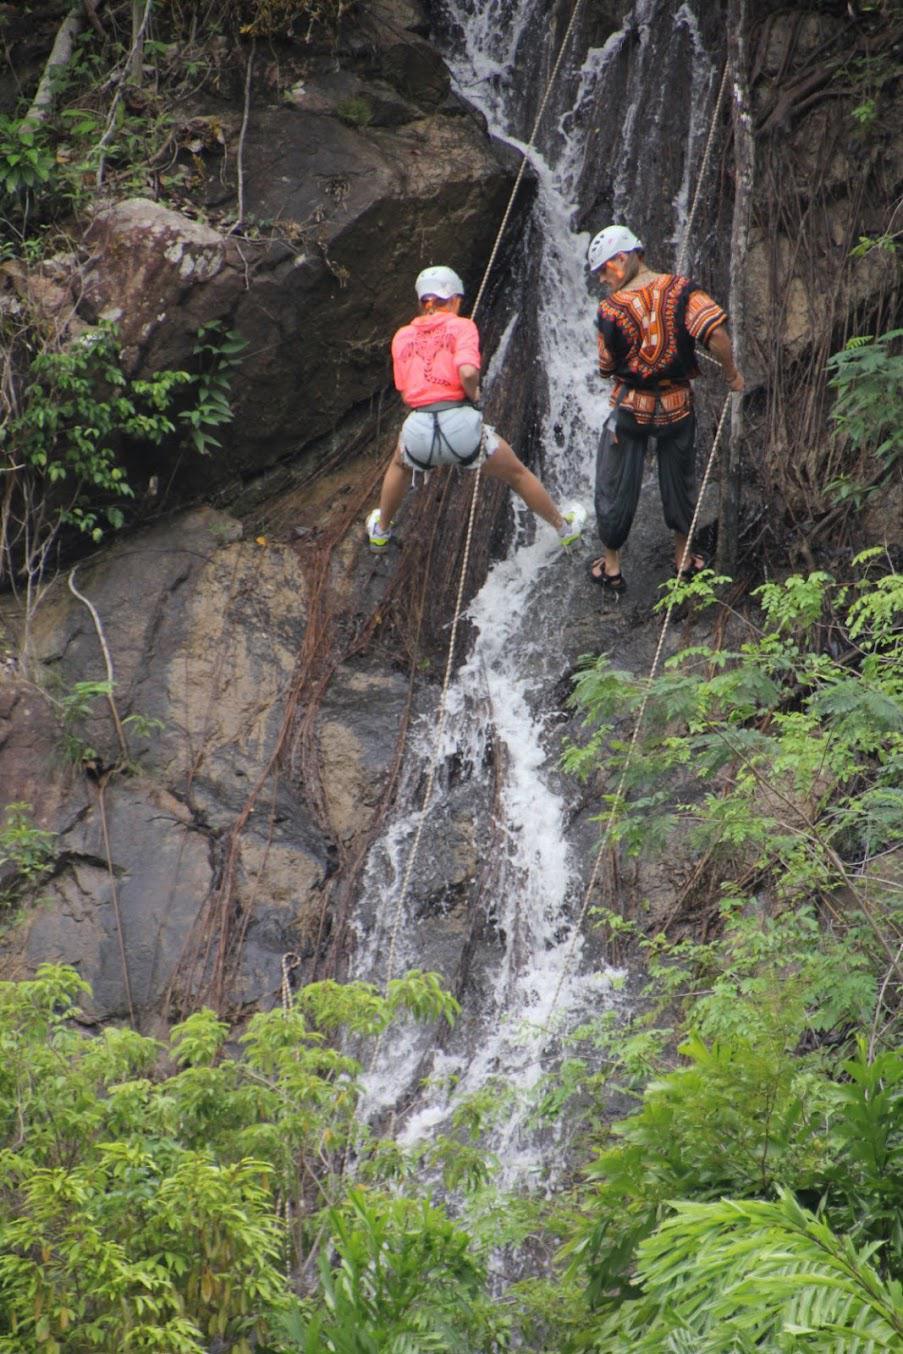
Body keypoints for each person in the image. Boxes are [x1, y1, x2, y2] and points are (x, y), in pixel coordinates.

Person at [366, 265, 585, 553]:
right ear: (453, 298)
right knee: (517, 475)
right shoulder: (461, 326)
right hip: (461, 427)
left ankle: (380, 532)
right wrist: (474, 393)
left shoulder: (402, 336)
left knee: (399, 465)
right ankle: (563, 528)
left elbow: (406, 391)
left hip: (418, 429)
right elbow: (468, 373)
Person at [585, 225, 745, 592]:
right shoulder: (682, 289)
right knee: (680, 477)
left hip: (630, 407)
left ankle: (611, 568)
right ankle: (683, 559)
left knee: (614, 479)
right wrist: (732, 374)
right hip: (676, 405)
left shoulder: (609, 310)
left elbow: (606, 367)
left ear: (622, 259)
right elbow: (716, 334)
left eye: (604, 271)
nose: (604, 280)